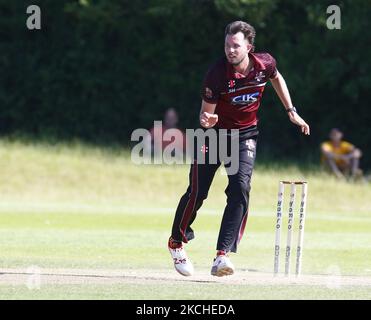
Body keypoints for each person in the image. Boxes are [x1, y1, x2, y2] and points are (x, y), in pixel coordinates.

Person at [168, 21, 310, 277]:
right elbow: (205, 115)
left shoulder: (264, 64)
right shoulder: (217, 74)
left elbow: (277, 78)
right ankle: (176, 243)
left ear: (248, 47)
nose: (230, 50)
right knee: (197, 193)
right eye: (227, 45)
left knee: (240, 189)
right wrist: (206, 121)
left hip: (244, 136)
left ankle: (222, 256)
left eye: (235, 46)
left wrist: (291, 111)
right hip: (213, 137)